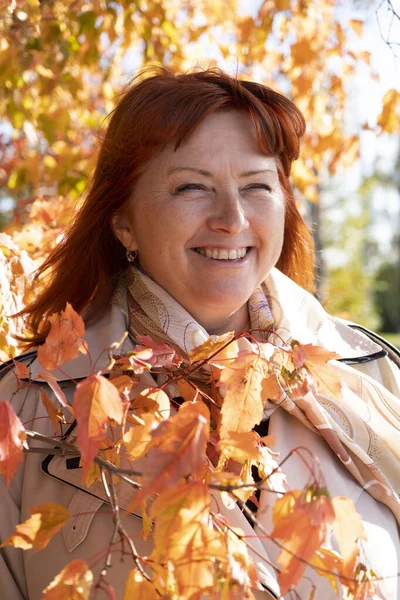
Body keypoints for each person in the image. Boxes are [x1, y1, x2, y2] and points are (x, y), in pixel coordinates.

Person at [1, 66, 400, 600]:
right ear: (123, 221)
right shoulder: (26, 407)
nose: (231, 218)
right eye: (192, 186)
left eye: (257, 186)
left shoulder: (372, 376)